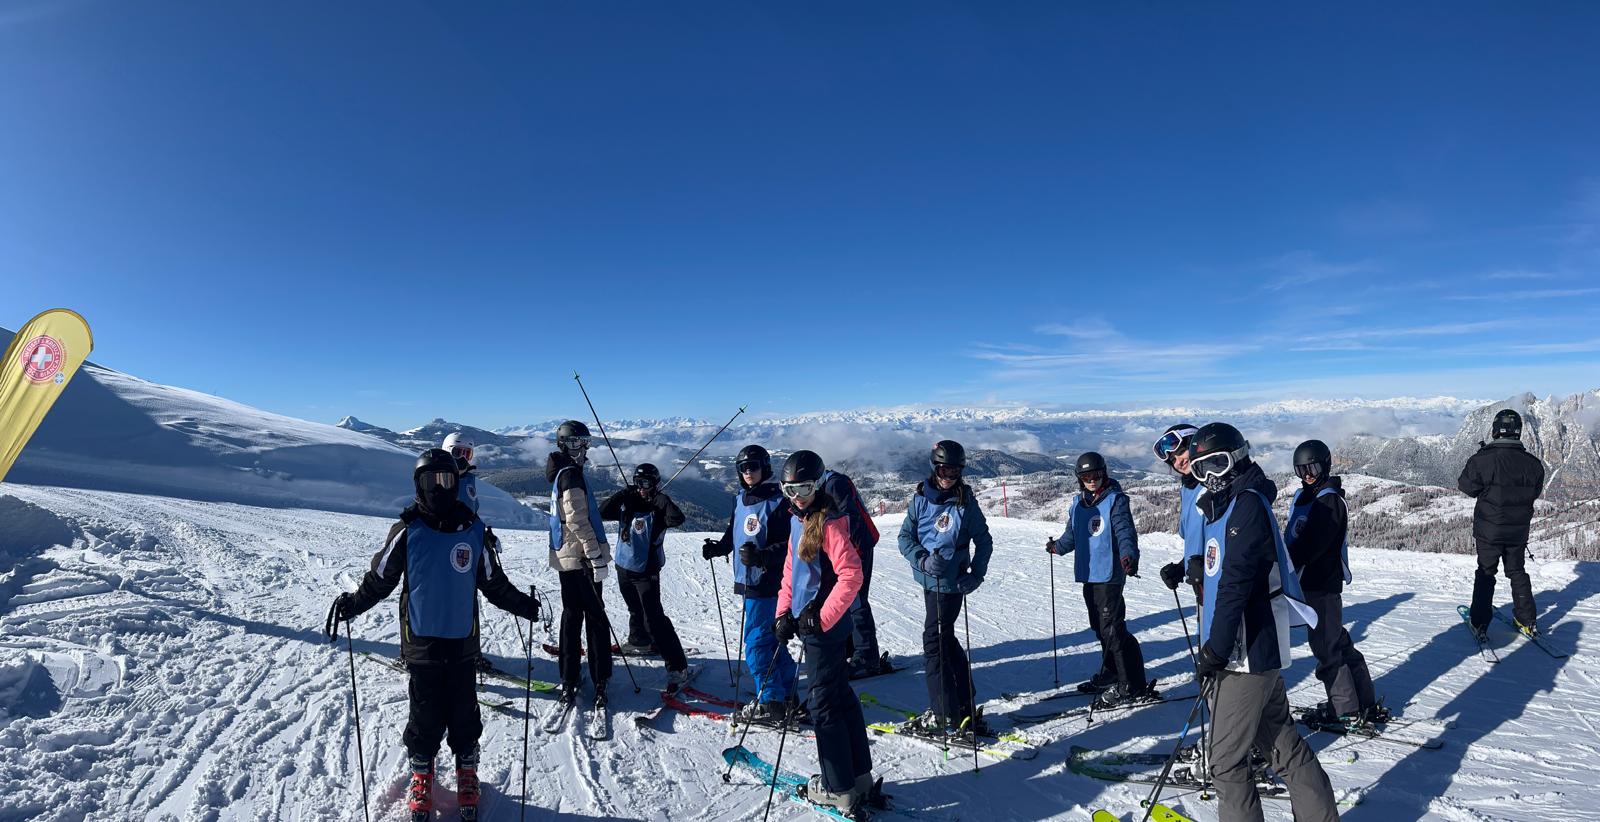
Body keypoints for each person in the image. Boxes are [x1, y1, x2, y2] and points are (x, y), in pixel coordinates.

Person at [327, 449, 539, 822]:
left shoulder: (473, 530)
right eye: (431, 481)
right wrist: (353, 604)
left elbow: (493, 583)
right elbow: (380, 580)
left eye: (446, 480)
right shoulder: (408, 530)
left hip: (461, 642)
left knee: (463, 712)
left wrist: (523, 605)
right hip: (421, 642)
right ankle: (422, 776)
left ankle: (467, 772)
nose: (439, 489)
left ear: (456, 483)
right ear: (418, 485)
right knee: (424, 715)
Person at [1187, 423, 1337, 822]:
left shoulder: (1246, 505)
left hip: (1244, 654)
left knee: (1225, 762)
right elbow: (1225, 572)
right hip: (1253, 651)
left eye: (1218, 464)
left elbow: (1236, 584)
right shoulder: (1227, 506)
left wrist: (1216, 650)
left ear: (1238, 458)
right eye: (1202, 469)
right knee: (1282, 746)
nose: (1211, 477)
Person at [774, 450, 875, 814]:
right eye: (789, 490)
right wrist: (783, 612)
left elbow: (852, 576)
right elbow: (792, 570)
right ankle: (858, 777)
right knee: (839, 695)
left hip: (825, 629)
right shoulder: (798, 519)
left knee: (822, 703)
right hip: (813, 624)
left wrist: (822, 618)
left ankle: (838, 787)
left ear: (817, 485)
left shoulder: (829, 523)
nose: (797, 496)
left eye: (803, 488)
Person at [897, 439, 993, 735]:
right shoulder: (920, 499)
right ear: (934, 468)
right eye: (943, 470)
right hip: (929, 580)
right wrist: (922, 559)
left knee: (934, 643)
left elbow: (984, 541)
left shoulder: (966, 504)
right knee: (945, 640)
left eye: (954, 472)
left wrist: (976, 574)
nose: (948, 477)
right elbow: (905, 538)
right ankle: (963, 705)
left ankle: (944, 714)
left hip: (951, 586)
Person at [1046, 452, 1152, 708]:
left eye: (1096, 475)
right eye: (1086, 476)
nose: (1091, 480)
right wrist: (1057, 547)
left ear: (1104, 473)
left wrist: (1128, 556)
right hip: (1089, 574)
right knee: (1100, 627)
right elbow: (1072, 535)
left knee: (1113, 630)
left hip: (1110, 575)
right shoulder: (1078, 503)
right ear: (1079, 478)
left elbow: (1125, 532)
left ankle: (1131, 684)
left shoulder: (1115, 500)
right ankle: (1111, 673)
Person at [1286, 439, 1379, 725]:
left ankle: (1344, 709)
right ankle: (1362, 699)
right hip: (1309, 582)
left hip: (1321, 583)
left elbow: (1312, 545)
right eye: (1301, 470)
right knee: (1336, 640)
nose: (1307, 475)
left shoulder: (1329, 501)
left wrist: (1283, 560)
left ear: (1325, 466)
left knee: (1327, 648)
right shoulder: (1307, 497)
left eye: (1312, 469)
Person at [703, 444, 796, 722]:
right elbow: (734, 534)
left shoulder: (778, 502)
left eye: (753, 467)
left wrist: (762, 556)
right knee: (770, 640)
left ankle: (770, 702)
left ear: (764, 468)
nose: (748, 472)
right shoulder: (740, 499)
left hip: (768, 583)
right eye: (743, 468)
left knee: (756, 644)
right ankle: (787, 693)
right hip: (748, 581)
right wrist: (719, 548)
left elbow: (791, 544)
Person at [600, 463, 693, 689]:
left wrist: (663, 500)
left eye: (647, 483)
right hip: (624, 566)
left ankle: (678, 666)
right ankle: (639, 640)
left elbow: (677, 519)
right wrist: (622, 494)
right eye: (638, 483)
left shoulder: (658, 508)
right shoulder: (628, 503)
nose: (642, 487)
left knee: (655, 618)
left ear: (655, 484)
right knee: (634, 608)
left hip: (646, 571)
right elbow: (602, 513)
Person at [1458, 409, 1547, 636]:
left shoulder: (1483, 459)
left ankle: (1479, 623)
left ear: (1496, 430)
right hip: (1518, 531)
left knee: (1486, 572)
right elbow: (1534, 492)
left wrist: (1482, 459)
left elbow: (1467, 487)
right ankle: (1527, 620)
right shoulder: (1533, 464)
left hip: (1489, 530)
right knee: (1517, 571)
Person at [546, 420, 614, 709]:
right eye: (575, 444)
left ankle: (569, 676)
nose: (582, 450)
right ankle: (600, 677)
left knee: (572, 615)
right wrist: (594, 554)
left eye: (584, 443)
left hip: (567, 557)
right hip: (582, 558)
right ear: (563, 445)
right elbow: (577, 520)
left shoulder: (561, 472)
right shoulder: (571, 475)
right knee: (595, 617)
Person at [818, 467, 888, 679]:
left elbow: (849, 519)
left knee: (855, 601)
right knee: (845, 600)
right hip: (850, 547)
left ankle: (866, 657)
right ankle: (851, 649)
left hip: (857, 547)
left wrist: (847, 552)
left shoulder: (833, 484)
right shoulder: (829, 482)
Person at [1156, 424, 1206, 613]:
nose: (1178, 462)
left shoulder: (1218, 486)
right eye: (1172, 460)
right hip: (1203, 585)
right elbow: (1198, 542)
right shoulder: (1188, 489)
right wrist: (1181, 567)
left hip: (1229, 586)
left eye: (1181, 451)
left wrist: (1208, 564)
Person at [443, 431, 480, 514]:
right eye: (457, 452)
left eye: (467, 454)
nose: (463, 457)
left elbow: (473, 506)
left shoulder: (468, 478)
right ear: (447, 451)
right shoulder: (439, 477)